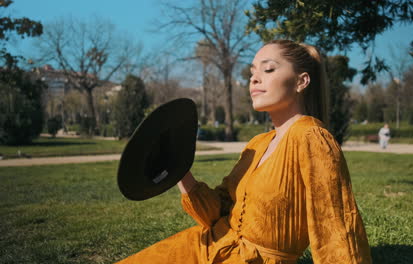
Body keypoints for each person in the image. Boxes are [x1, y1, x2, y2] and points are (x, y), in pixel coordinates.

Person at [117, 40, 372, 264]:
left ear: (301, 81)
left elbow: (335, 227)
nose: (254, 78)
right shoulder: (257, 144)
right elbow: (218, 212)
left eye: (268, 69)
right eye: (252, 72)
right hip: (205, 246)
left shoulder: (312, 138)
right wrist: (177, 168)